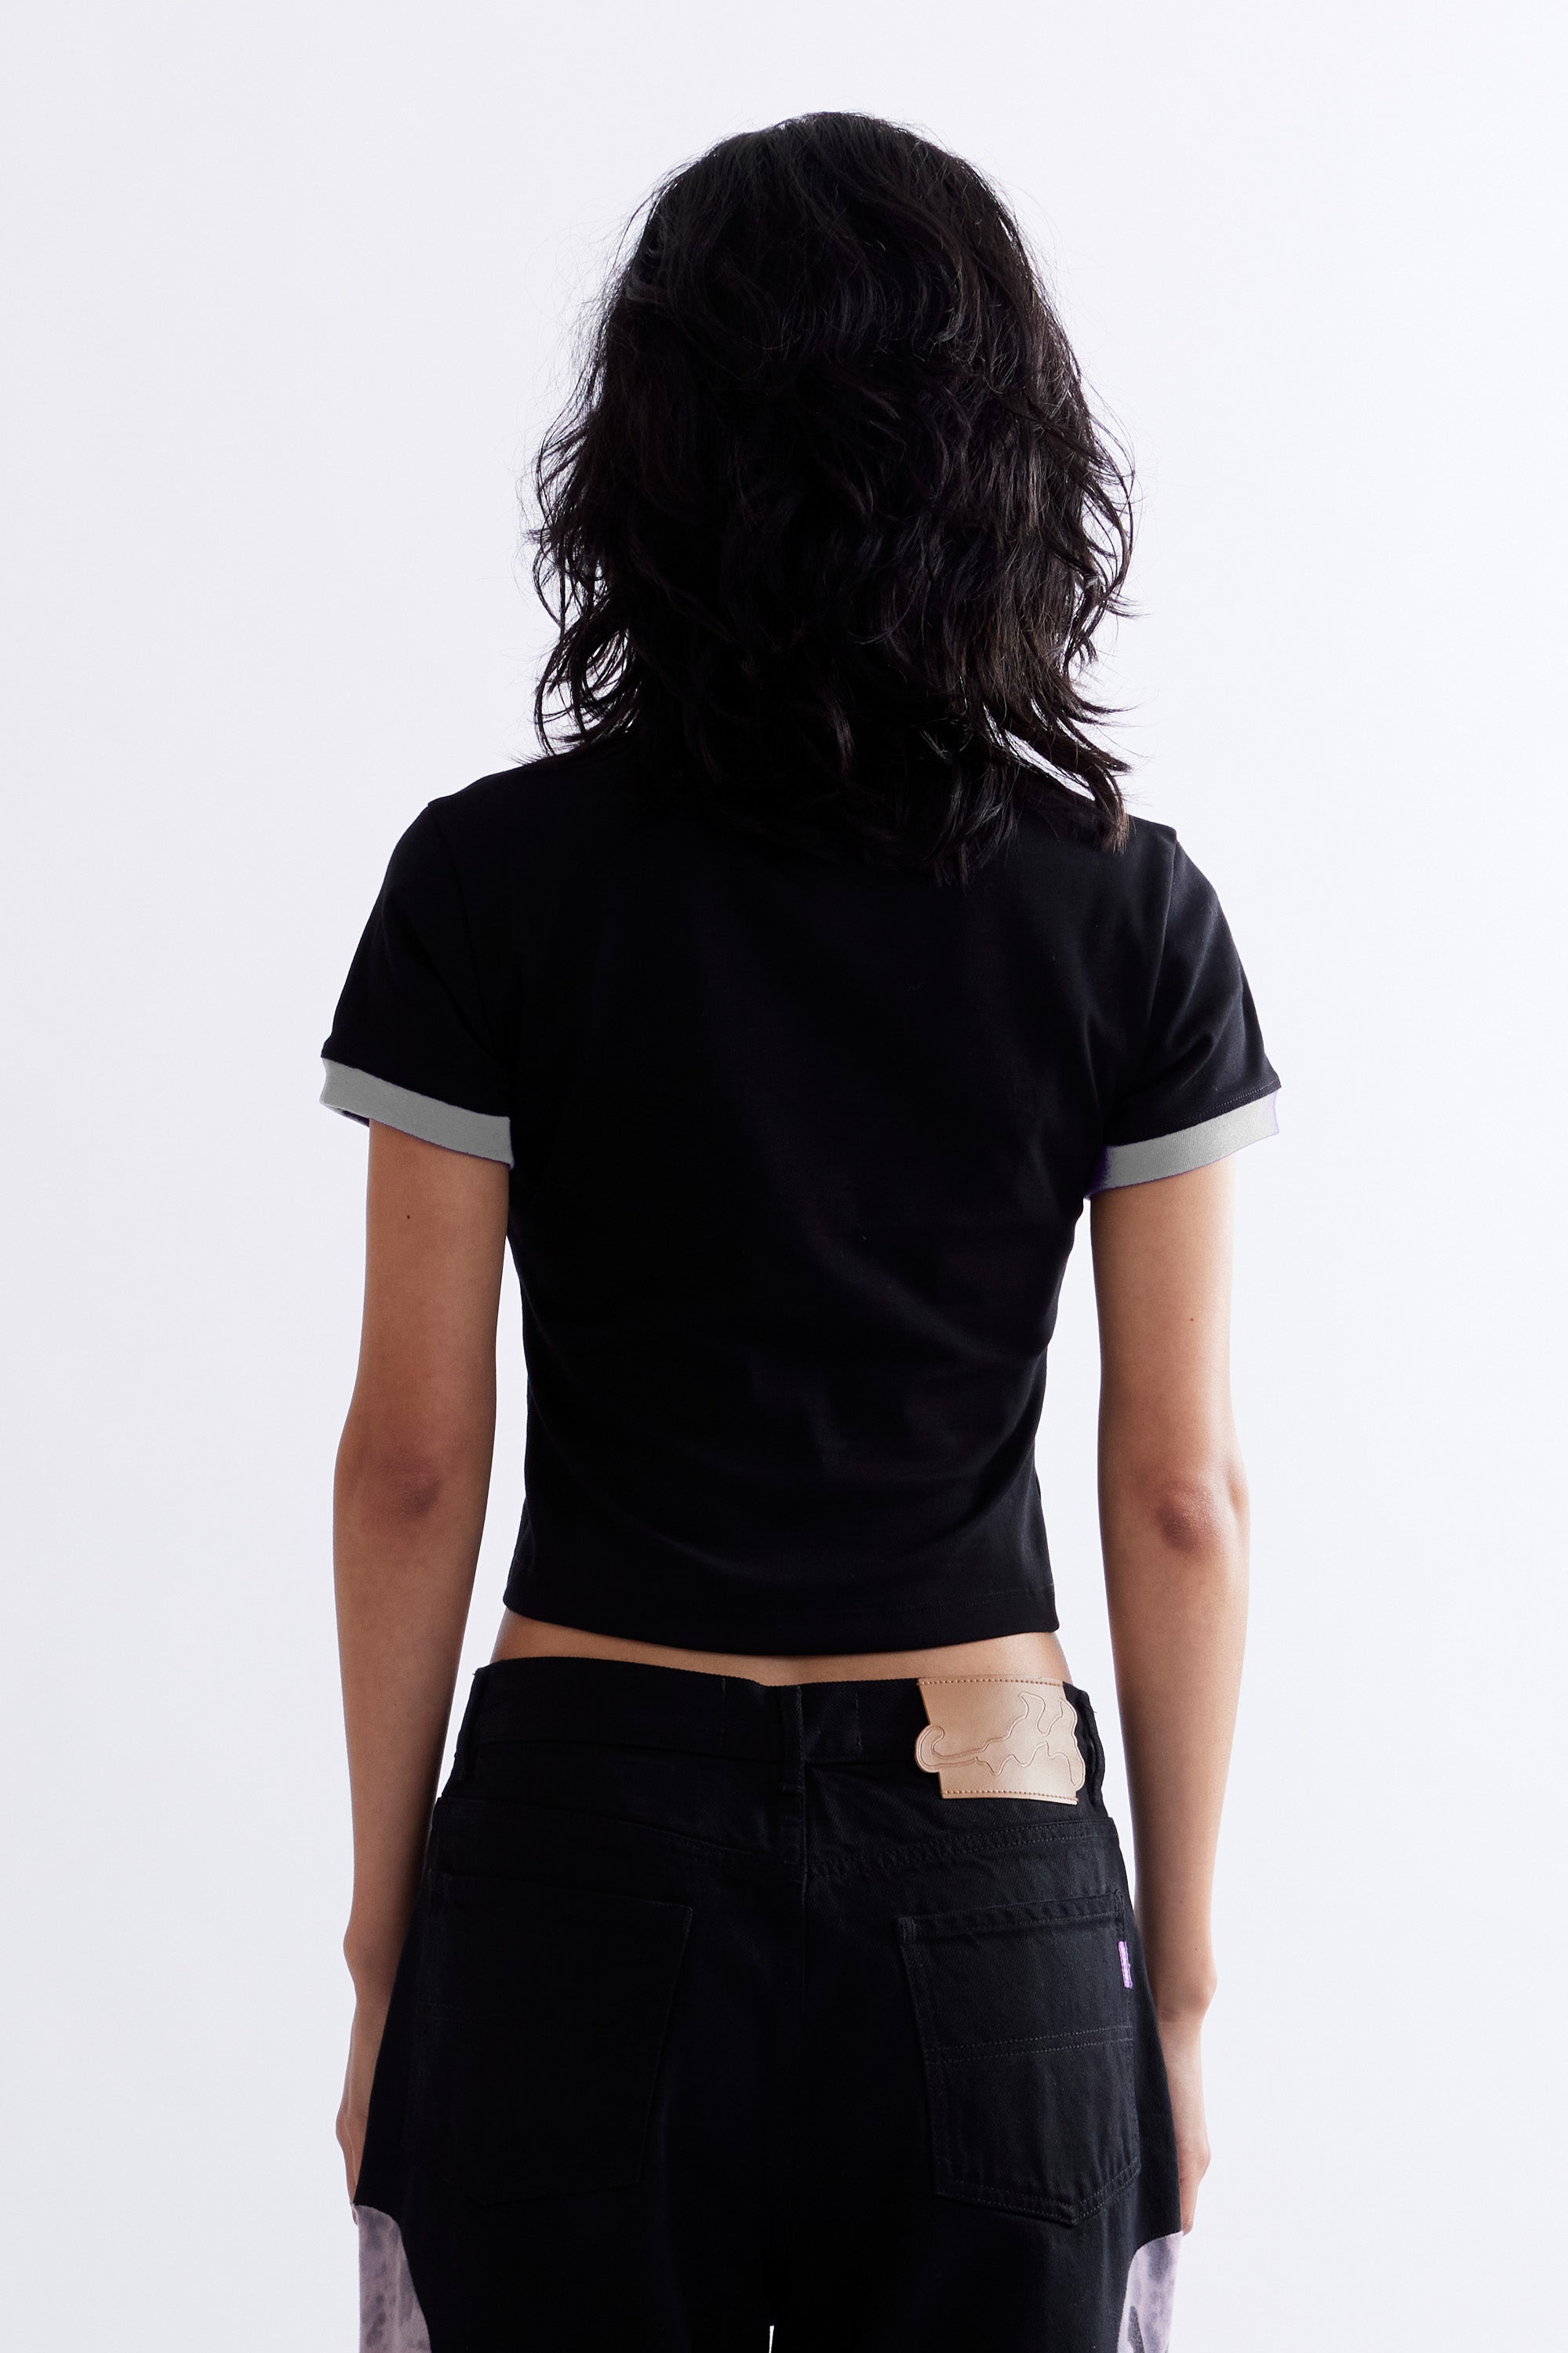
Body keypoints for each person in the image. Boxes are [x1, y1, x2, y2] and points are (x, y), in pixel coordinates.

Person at [320, 111, 1279, 2353]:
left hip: (579, 1863)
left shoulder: (487, 886)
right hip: (994, 1867)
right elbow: (1181, 1494)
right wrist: (1178, 1995)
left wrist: (385, 1959)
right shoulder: (1130, 914)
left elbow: (413, 1464)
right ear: (1009, 465)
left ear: (642, 464)